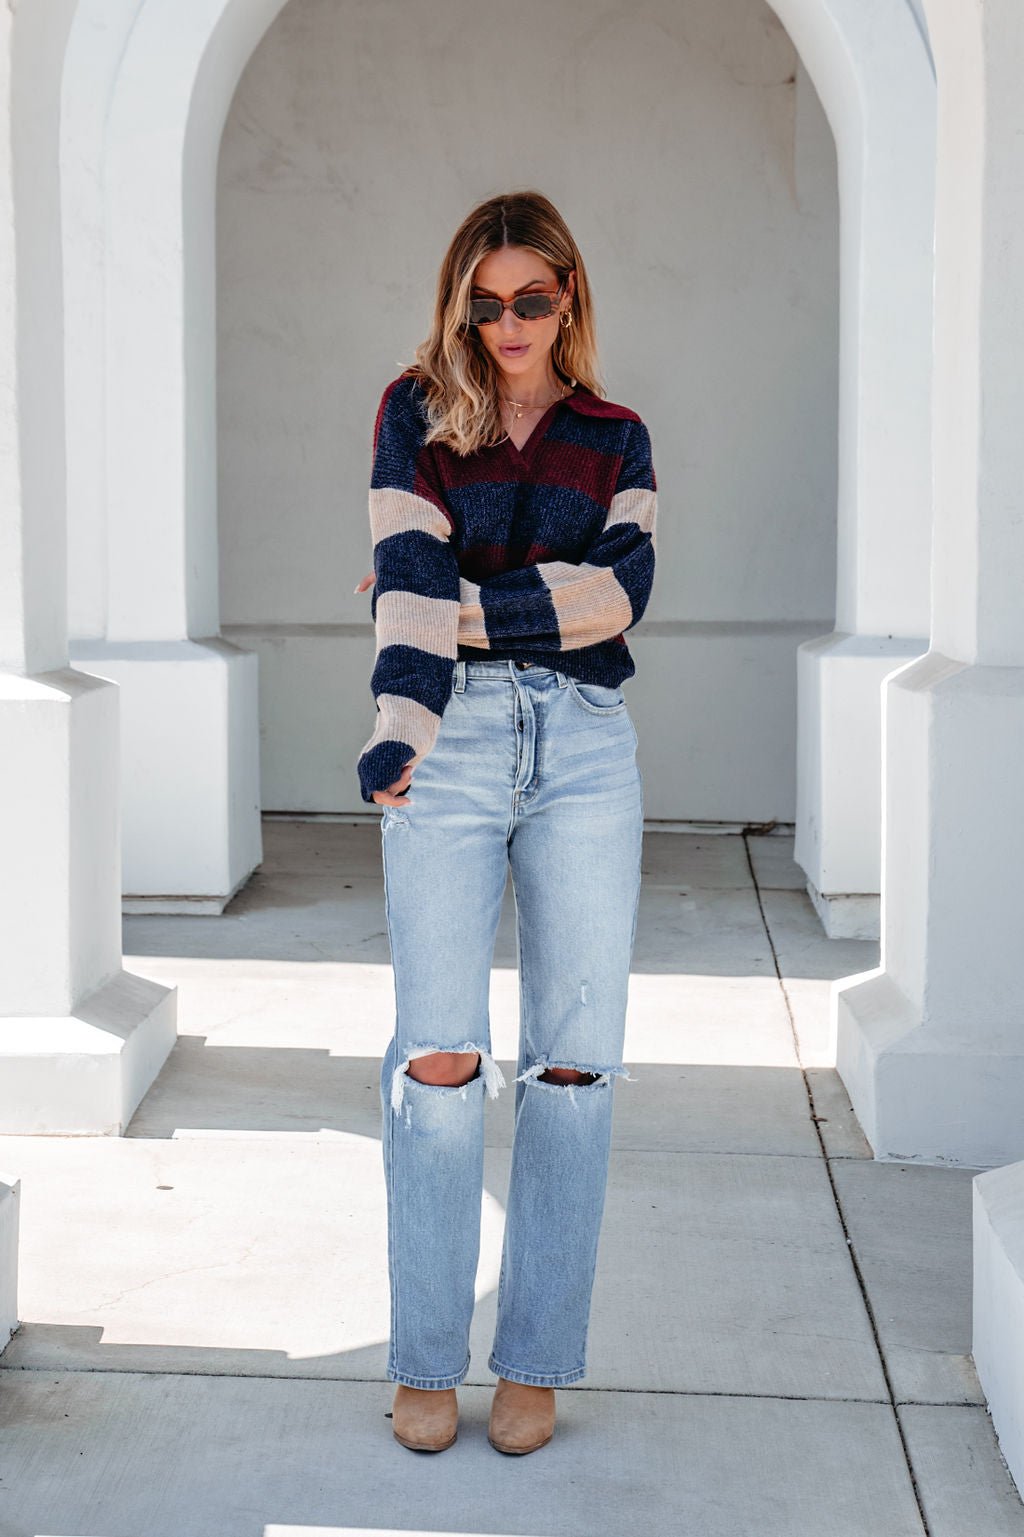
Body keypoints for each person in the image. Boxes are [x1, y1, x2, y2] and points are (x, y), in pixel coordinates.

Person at [354, 189, 657, 1455]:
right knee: (437, 1063)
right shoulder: (415, 410)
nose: (507, 322)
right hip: (450, 739)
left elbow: (621, 597)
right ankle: (428, 1355)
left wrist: (456, 609)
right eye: (486, 301)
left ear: (569, 298)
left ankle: (533, 1355)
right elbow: (410, 575)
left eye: (531, 298)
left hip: (585, 747)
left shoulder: (617, 433)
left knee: (574, 1069)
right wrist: (407, 718)